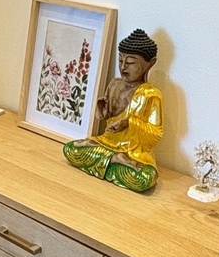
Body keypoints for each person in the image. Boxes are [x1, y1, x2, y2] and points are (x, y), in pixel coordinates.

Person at [63, 29, 162, 192]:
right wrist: (101, 110)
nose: (123, 67)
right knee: (71, 148)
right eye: (120, 60)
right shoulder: (114, 84)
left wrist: (129, 123)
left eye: (130, 62)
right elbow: (105, 118)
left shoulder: (151, 94)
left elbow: (156, 133)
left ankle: (120, 160)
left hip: (133, 152)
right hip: (107, 143)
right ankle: (116, 159)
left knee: (144, 178)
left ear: (150, 63)